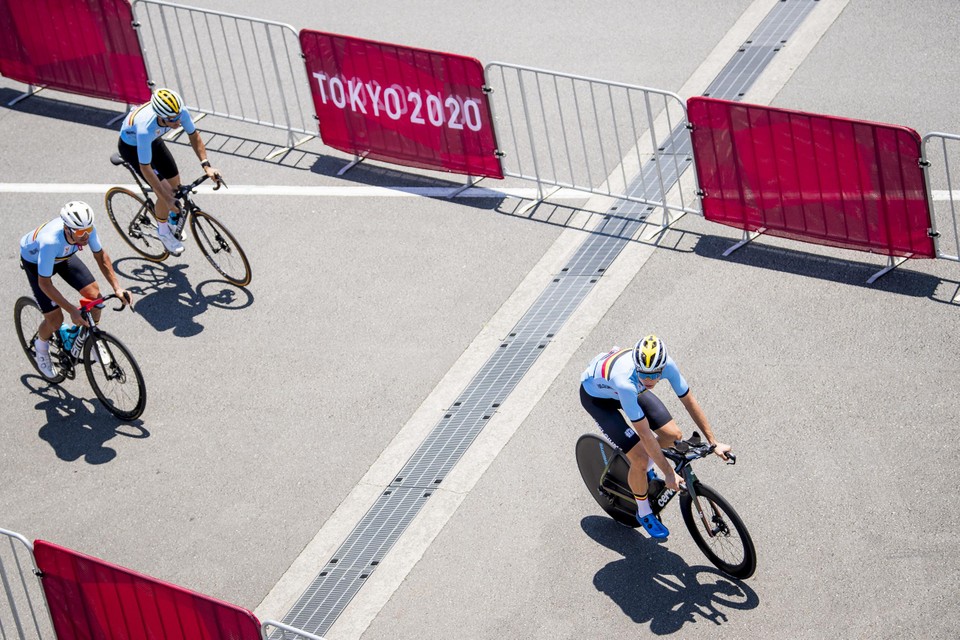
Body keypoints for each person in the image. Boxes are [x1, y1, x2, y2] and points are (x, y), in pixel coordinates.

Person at [580, 334, 731, 539]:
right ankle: (643, 511)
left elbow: (689, 401)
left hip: (629, 389)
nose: (650, 380)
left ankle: (642, 470)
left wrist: (714, 443)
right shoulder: (626, 382)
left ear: (662, 367)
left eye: (655, 374)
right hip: (598, 400)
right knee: (640, 458)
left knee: (673, 434)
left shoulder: (665, 367)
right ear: (636, 366)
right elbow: (644, 433)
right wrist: (668, 472)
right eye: (644, 374)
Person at [20, 202, 132, 379]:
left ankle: (90, 339)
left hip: (63, 257)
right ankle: (41, 348)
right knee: (56, 320)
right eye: (80, 232)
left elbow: (101, 256)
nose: (86, 235)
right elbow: (45, 284)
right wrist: (72, 310)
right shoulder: (50, 241)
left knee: (96, 298)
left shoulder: (85, 231)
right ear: (67, 228)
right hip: (36, 262)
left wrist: (117, 288)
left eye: (88, 229)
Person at [117, 87, 222, 256]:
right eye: (172, 120)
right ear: (160, 116)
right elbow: (146, 168)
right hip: (133, 146)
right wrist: (166, 199)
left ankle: (172, 218)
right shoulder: (145, 128)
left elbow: (194, 136)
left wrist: (207, 165)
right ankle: (163, 231)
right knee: (165, 193)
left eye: (178, 117)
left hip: (153, 140)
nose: (178, 122)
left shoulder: (180, 112)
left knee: (176, 186)